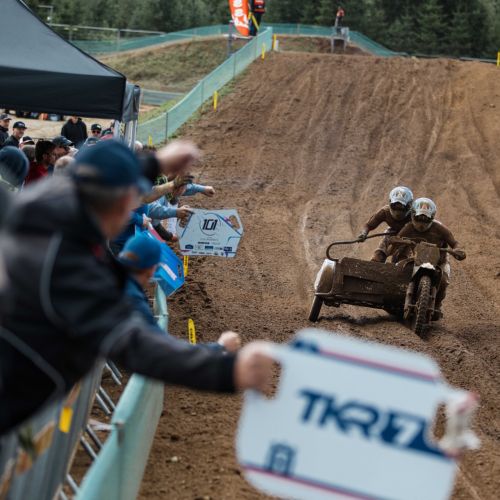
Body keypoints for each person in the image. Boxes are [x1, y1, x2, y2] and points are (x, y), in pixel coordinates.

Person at [0, 140, 273, 434]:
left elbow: (87, 173)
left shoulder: (42, 206)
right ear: (124, 205)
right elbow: (139, 346)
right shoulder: (76, 274)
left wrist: (156, 164)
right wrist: (226, 369)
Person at [119, 233, 241, 351]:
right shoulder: (135, 303)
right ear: (151, 269)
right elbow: (161, 347)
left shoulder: (113, 279)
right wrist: (219, 347)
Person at [392, 198, 466, 318]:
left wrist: (457, 250)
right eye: (419, 218)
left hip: (440, 261)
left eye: (425, 219)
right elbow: (397, 239)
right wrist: (397, 242)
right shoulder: (409, 227)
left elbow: (455, 243)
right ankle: (397, 296)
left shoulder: (440, 228)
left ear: (432, 217)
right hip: (416, 258)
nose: (422, 223)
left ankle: (437, 305)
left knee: (443, 281)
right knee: (401, 271)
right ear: (413, 215)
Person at [357, 186, 413, 263]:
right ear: (390, 203)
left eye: (402, 207)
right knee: (378, 256)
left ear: (409, 206)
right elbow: (368, 225)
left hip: (407, 238)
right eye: (395, 206)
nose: (398, 211)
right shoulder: (385, 212)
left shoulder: (414, 216)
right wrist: (363, 234)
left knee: (402, 261)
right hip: (391, 233)